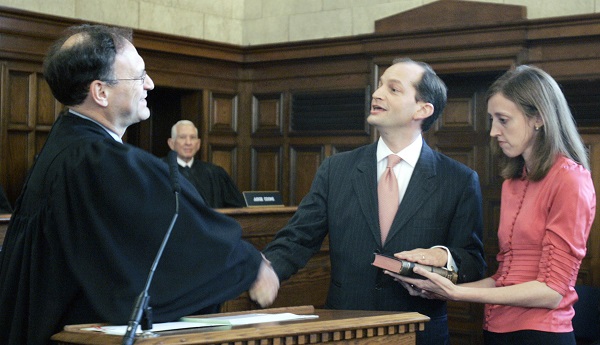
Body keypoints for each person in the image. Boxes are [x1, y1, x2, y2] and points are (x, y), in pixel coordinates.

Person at [0, 24, 278, 345]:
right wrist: (248, 263)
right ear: (100, 92)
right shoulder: (93, 158)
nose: (150, 83)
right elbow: (169, 227)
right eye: (139, 75)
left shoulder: (69, 145)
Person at [261, 58, 487, 345]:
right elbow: (298, 237)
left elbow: (473, 260)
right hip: (345, 329)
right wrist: (266, 271)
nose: (377, 94)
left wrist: (442, 255)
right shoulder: (336, 169)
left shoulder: (458, 179)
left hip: (418, 331)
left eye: (393, 89)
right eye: (379, 85)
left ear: (423, 109)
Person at [393, 65, 596, 345]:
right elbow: (506, 278)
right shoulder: (513, 181)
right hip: (496, 329)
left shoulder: (570, 179)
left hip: (542, 334)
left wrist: (459, 293)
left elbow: (552, 292)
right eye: (492, 119)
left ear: (538, 117)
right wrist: (442, 288)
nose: (493, 131)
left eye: (503, 120)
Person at [165, 120, 245, 208]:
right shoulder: (161, 170)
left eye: (192, 137)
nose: (188, 142)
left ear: (198, 144)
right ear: (171, 143)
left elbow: (237, 208)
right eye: (183, 137)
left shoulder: (215, 173)